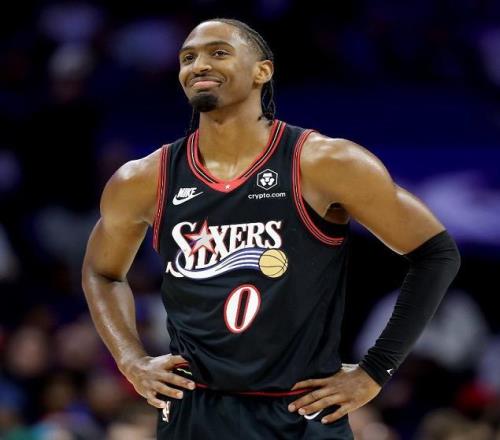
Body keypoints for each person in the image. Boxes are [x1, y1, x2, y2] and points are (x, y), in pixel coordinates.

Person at [81, 18, 461, 440]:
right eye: (188, 58)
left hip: (299, 410)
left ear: (263, 71)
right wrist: (131, 360)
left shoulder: (325, 162)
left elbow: (436, 253)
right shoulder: (143, 178)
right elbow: (102, 271)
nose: (198, 65)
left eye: (218, 53)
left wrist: (376, 369)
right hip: (195, 413)